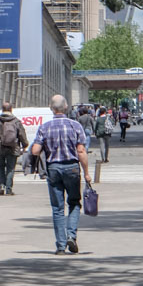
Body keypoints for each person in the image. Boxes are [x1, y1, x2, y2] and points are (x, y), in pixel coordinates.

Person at [30, 94, 92, 254]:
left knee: (57, 208)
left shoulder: (45, 127)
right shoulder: (75, 126)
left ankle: (60, 246)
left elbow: (35, 150)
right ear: (66, 108)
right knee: (74, 202)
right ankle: (71, 235)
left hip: (53, 169)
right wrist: (86, 173)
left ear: (52, 108)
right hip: (72, 167)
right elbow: (81, 151)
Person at [0, 102, 28, 195]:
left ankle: (1, 186)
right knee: (10, 168)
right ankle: (9, 189)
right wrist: (24, 145)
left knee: (1, 167)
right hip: (13, 147)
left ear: (2, 109)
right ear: (11, 109)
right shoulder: (16, 121)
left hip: (0, 147)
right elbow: (21, 134)